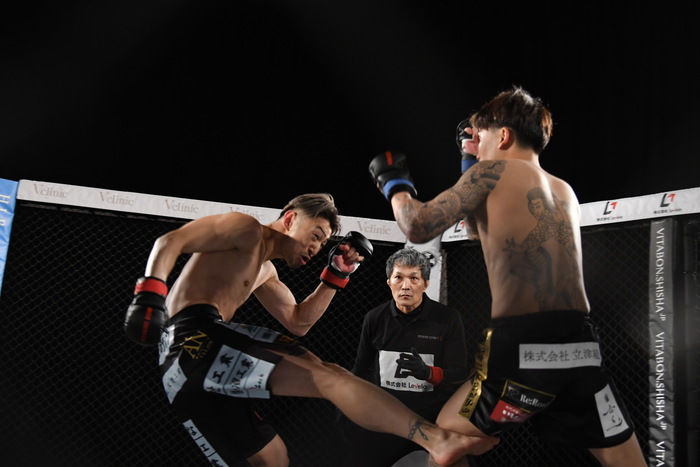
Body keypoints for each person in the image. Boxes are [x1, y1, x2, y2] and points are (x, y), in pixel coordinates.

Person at [368, 87, 647, 467]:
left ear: (503, 136)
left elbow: (417, 226)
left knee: (446, 437)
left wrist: (393, 182)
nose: (477, 146)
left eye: (480, 137)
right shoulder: (564, 190)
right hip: (580, 348)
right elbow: (477, 232)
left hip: (523, 346)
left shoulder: (492, 172)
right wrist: (468, 160)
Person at [123, 193, 498, 467]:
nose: (317, 247)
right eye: (316, 234)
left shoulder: (265, 270)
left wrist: (336, 275)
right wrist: (149, 293)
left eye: (323, 242)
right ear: (290, 218)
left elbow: (298, 321)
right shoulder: (244, 228)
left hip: (183, 369)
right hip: (193, 338)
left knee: (272, 458)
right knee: (329, 376)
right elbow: (170, 241)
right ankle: (435, 438)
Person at [339, 247, 469, 467]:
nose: (405, 286)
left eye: (414, 278)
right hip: (386, 419)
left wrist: (427, 373)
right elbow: (360, 368)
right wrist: (345, 405)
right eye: (398, 277)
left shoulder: (447, 319)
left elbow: (460, 373)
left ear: (425, 284)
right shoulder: (375, 318)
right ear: (389, 282)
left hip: (431, 421)